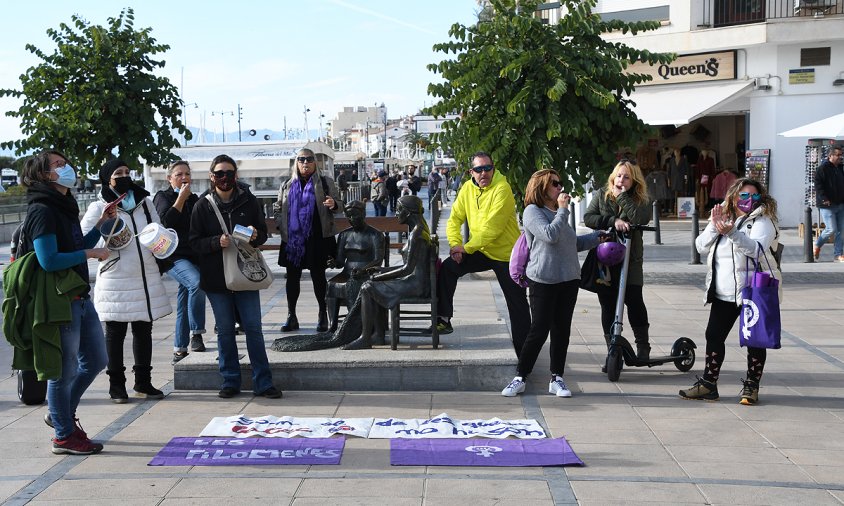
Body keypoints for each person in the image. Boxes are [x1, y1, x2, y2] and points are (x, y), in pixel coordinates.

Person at [15, 150, 111, 454]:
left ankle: (60, 416)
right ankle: (63, 435)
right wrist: (89, 255)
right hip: (60, 300)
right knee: (64, 371)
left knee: (96, 360)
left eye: (66, 162)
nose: (67, 167)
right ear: (45, 176)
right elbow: (48, 260)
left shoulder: (65, 206)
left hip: (80, 296)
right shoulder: (42, 210)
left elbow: (77, 244)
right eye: (58, 165)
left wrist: (100, 227)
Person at [501, 170, 603, 398]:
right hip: (543, 279)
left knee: (561, 330)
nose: (560, 187)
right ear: (541, 187)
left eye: (560, 183)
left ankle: (557, 378)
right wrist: (564, 210)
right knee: (538, 330)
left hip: (568, 279)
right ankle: (520, 376)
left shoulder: (559, 214)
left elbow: (571, 243)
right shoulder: (532, 212)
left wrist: (598, 237)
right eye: (555, 184)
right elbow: (549, 235)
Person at [680, 178, 781, 405]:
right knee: (714, 335)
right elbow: (700, 245)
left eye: (754, 196)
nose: (749, 200)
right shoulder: (723, 216)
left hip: (752, 291)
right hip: (724, 291)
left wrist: (733, 233)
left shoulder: (763, 221)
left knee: (755, 339)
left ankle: (751, 387)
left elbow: (756, 250)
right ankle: (708, 385)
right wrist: (717, 228)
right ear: (734, 196)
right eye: (744, 196)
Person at [189, 154, 281, 399]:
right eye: (220, 173)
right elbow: (193, 243)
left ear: (236, 176)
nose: (225, 178)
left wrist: (255, 235)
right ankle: (230, 381)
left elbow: (262, 234)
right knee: (226, 330)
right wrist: (214, 242)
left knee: (253, 328)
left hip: (245, 275)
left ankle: (263, 382)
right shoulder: (203, 205)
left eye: (229, 173)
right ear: (211, 177)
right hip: (216, 279)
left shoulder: (249, 201)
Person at [81, 159, 172, 403]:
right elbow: (84, 241)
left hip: (145, 275)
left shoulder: (145, 202)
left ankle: (143, 382)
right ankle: (116, 386)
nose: (123, 176)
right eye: (117, 173)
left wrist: (159, 241)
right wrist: (108, 234)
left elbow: (157, 228)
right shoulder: (98, 206)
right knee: (115, 331)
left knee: (144, 329)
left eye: (126, 172)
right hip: (115, 276)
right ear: (107, 179)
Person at [436, 152, 531, 354]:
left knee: (517, 305)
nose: (484, 173)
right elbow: (454, 219)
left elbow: (492, 228)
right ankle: (443, 318)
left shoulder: (502, 189)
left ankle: (524, 353)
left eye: (487, 168)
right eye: (479, 169)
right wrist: (455, 246)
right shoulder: (467, 189)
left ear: (493, 169)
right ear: (472, 172)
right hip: (481, 250)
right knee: (449, 267)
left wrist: (466, 248)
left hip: (506, 254)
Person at [583, 160, 653, 361]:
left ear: (635, 180)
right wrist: (613, 221)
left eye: (627, 176)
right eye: (619, 175)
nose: (621, 179)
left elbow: (640, 218)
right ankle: (613, 350)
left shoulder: (642, 199)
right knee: (608, 303)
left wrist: (621, 196)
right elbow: (589, 217)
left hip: (630, 259)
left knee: (634, 300)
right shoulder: (601, 195)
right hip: (605, 258)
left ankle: (643, 346)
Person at [346, 195, 432, 349]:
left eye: (399, 210)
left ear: (408, 212)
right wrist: (382, 270)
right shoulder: (418, 229)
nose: (395, 214)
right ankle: (378, 335)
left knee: (367, 287)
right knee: (374, 283)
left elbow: (407, 269)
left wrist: (381, 276)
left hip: (416, 285)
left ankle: (365, 338)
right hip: (416, 280)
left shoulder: (416, 234)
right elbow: (408, 266)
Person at [273, 148, 342, 333]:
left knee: (319, 278)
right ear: (296, 162)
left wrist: (334, 205)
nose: (305, 163)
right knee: (292, 278)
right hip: (293, 240)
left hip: (317, 238)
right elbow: (278, 207)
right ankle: (291, 316)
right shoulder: (287, 185)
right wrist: (281, 224)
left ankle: (322, 314)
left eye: (309, 159)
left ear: (315, 162)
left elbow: (340, 205)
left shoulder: (326, 183)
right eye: (301, 159)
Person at [153, 160, 208, 364]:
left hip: (195, 255)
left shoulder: (195, 199)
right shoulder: (162, 197)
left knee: (185, 300)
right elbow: (166, 222)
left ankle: (179, 348)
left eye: (187, 174)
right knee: (196, 283)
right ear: (169, 178)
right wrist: (180, 200)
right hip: (173, 256)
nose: (184, 178)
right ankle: (197, 332)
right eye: (179, 174)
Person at [813, 145, 844, 262]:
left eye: (841, 155)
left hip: (840, 204)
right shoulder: (823, 168)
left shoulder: (841, 168)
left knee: (841, 231)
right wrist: (824, 198)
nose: (840, 157)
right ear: (830, 156)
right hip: (827, 205)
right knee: (831, 229)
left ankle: (838, 254)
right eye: (838, 155)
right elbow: (818, 185)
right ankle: (817, 245)